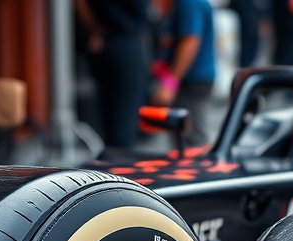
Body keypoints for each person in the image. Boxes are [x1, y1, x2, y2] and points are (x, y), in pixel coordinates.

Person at [75, 0, 150, 150]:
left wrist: (93, 29)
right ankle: (118, 160)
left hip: (102, 41)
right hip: (126, 42)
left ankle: (112, 157)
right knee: (124, 124)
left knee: (110, 121)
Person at [153, 0, 216, 147]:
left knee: (192, 141)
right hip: (188, 79)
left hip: (192, 81)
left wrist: (170, 83)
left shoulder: (190, 3)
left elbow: (190, 41)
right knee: (181, 138)